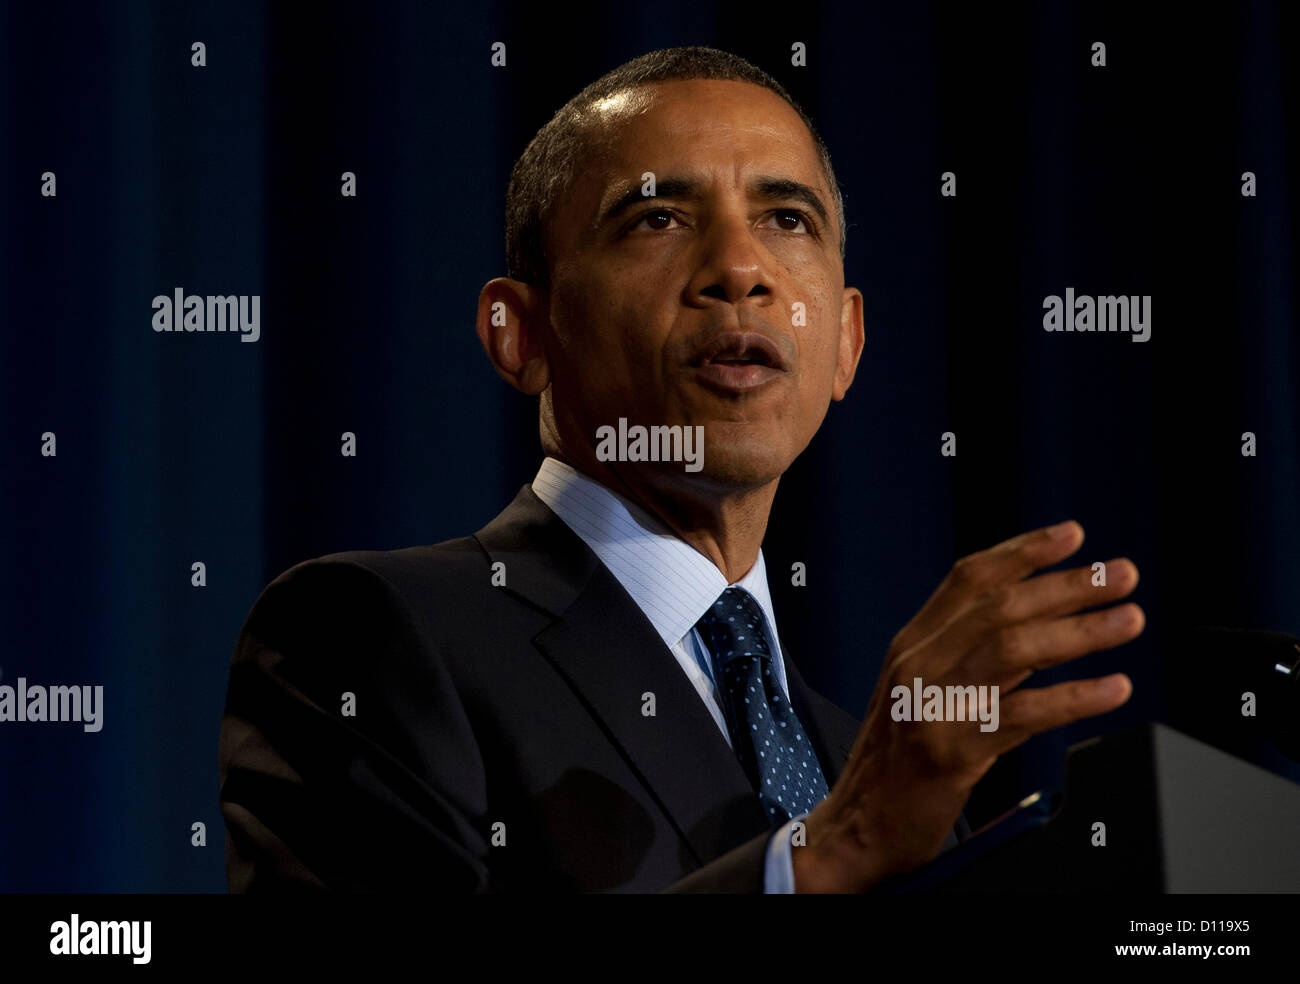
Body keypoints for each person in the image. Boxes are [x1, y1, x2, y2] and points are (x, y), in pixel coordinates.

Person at [218, 46, 1144, 893]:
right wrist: (833, 854)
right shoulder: (371, 636)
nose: (741, 270)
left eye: (787, 219)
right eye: (657, 218)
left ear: (847, 345)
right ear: (522, 334)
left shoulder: (860, 757)